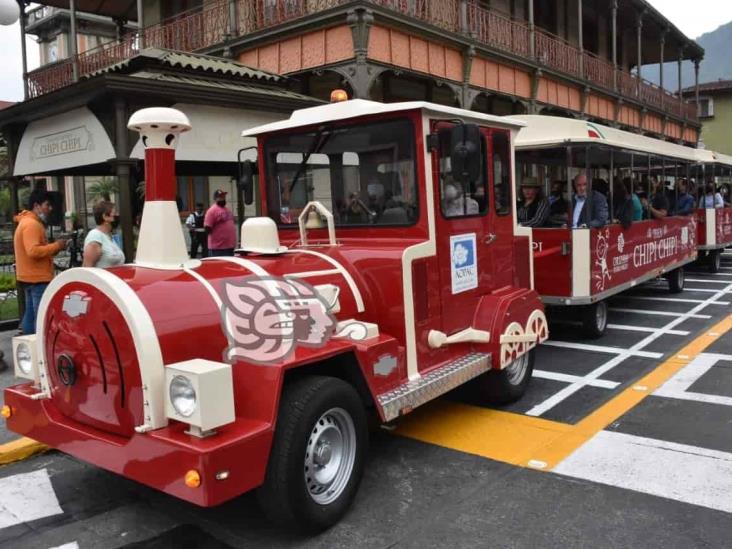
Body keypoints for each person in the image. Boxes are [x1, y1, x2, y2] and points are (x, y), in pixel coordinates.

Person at [14, 189, 67, 335]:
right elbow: (33, 251)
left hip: (30, 277)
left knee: (31, 316)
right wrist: (57, 245)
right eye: (47, 205)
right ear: (37, 205)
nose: (50, 209)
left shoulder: (27, 222)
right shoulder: (32, 225)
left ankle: (29, 345)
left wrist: (53, 248)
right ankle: (37, 348)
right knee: (40, 317)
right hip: (37, 278)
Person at [82, 200, 125, 268]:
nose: (117, 215)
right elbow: (88, 268)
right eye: (115, 212)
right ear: (105, 216)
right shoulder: (95, 236)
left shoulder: (108, 237)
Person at [205, 189, 236, 256]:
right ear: (215, 199)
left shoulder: (227, 210)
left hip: (229, 247)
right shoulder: (212, 211)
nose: (223, 199)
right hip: (218, 249)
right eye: (220, 197)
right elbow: (207, 228)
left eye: (224, 197)